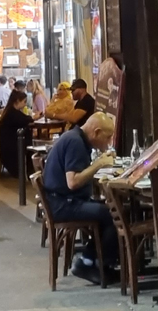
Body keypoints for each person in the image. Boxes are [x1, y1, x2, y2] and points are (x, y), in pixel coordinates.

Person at [40, 112, 119, 281]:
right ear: (96, 132)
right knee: (112, 215)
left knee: (108, 211)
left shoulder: (75, 137)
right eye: (108, 137)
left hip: (62, 200)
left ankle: (92, 260)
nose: (109, 142)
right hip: (63, 204)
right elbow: (73, 182)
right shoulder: (75, 142)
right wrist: (99, 164)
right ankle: (92, 264)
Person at [0, 89, 31, 178]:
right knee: (30, 141)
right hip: (11, 148)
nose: (25, 104)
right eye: (24, 102)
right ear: (17, 101)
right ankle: (30, 169)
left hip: (7, 145)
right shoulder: (12, 113)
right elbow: (26, 120)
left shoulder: (10, 111)